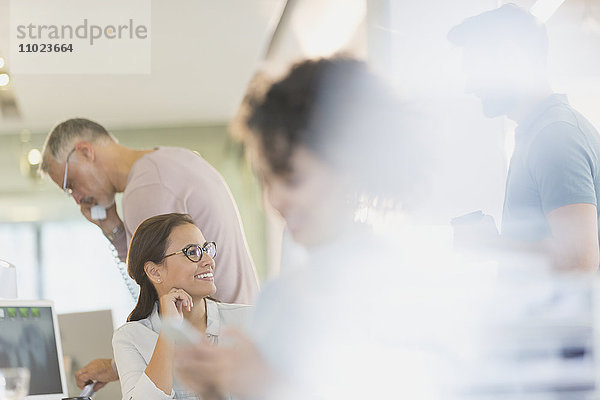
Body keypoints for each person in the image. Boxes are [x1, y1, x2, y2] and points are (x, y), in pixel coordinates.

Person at [174, 57, 430, 399]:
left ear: (351, 168)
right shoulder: (276, 298)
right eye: (266, 180)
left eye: (292, 179)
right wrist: (217, 390)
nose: (276, 199)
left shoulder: (403, 287)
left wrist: (268, 385)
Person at [39, 119, 259, 390]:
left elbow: (160, 285)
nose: (77, 198)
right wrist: (113, 229)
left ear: (85, 151)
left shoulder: (144, 191)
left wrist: (119, 363)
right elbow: (154, 266)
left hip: (211, 348)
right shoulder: (170, 160)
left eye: (71, 183)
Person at [448, 4, 600, 272]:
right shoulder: (540, 132)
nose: (469, 85)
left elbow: (580, 261)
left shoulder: (554, 136)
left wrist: (491, 244)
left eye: (475, 68)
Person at [113, 213, 252, 400]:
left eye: (206, 250)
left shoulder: (248, 321)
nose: (209, 262)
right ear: (155, 272)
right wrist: (169, 331)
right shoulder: (130, 338)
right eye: (192, 252)